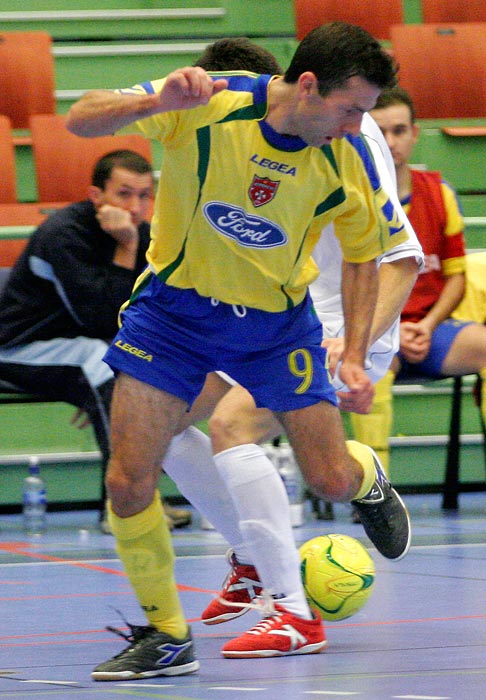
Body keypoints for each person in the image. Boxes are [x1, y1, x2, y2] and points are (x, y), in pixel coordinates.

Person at [66, 22, 413, 679]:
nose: (355, 126)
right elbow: (80, 120)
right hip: (173, 315)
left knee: (328, 478)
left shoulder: (349, 154)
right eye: (349, 110)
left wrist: (352, 354)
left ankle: (359, 473)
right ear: (306, 86)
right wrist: (153, 101)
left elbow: (370, 258)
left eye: (365, 113)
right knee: (129, 476)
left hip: (277, 327)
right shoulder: (209, 106)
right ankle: (167, 634)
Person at [0, 149, 191, 532]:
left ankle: (140, 497)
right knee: (101, 368)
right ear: (96, 196)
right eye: (123, 194)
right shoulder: (63, 235)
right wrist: (126, 248)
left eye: (143, 195)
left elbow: (141, 315)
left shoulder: (146, 235)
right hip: (19, 347)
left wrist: (91, 390)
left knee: (131, 370)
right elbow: (102, 316)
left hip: (74, 346)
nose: (135, 207)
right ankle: (122, 509)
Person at [351, 85, 486, 468]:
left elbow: (456, 276)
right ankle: (374, 488)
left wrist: (426, 326)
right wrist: (385, 330)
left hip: (430, 330)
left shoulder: (439, 194)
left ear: (414, 133)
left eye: (399, 130)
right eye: (381, 132)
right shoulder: (350, 197)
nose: (391, 142)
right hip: (372, 330)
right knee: (369, 371)